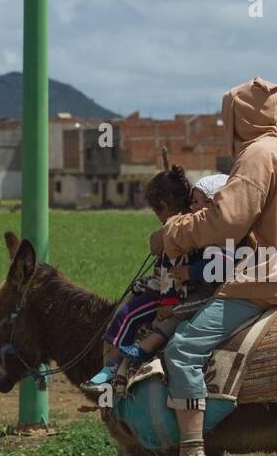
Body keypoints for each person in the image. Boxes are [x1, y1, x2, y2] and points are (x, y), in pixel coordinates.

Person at [146, 77, 277, 456]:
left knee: (182, 349)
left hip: (267, 279)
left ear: (237, 119)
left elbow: (225, 222)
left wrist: (171, 233)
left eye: (227, 116)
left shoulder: (257, 156)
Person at [80, 166, 197, 394]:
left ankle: (111, 368)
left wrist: (167, 301)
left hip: (171, 293)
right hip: (165, 288)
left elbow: (172, 269)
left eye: (157, 211)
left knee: (127, 314)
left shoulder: (177, 231)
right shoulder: (187, 224)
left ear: (163, 207)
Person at [118, 174, 230, 363]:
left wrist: (190, 272)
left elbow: (220, 265)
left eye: (196, 202)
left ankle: (147, 346)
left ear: (212, 203)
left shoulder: (223, 234)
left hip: (213, 291)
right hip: (199, 286)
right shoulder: (200, 229)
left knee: (174, 313)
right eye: (191, 202)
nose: (192, 207)